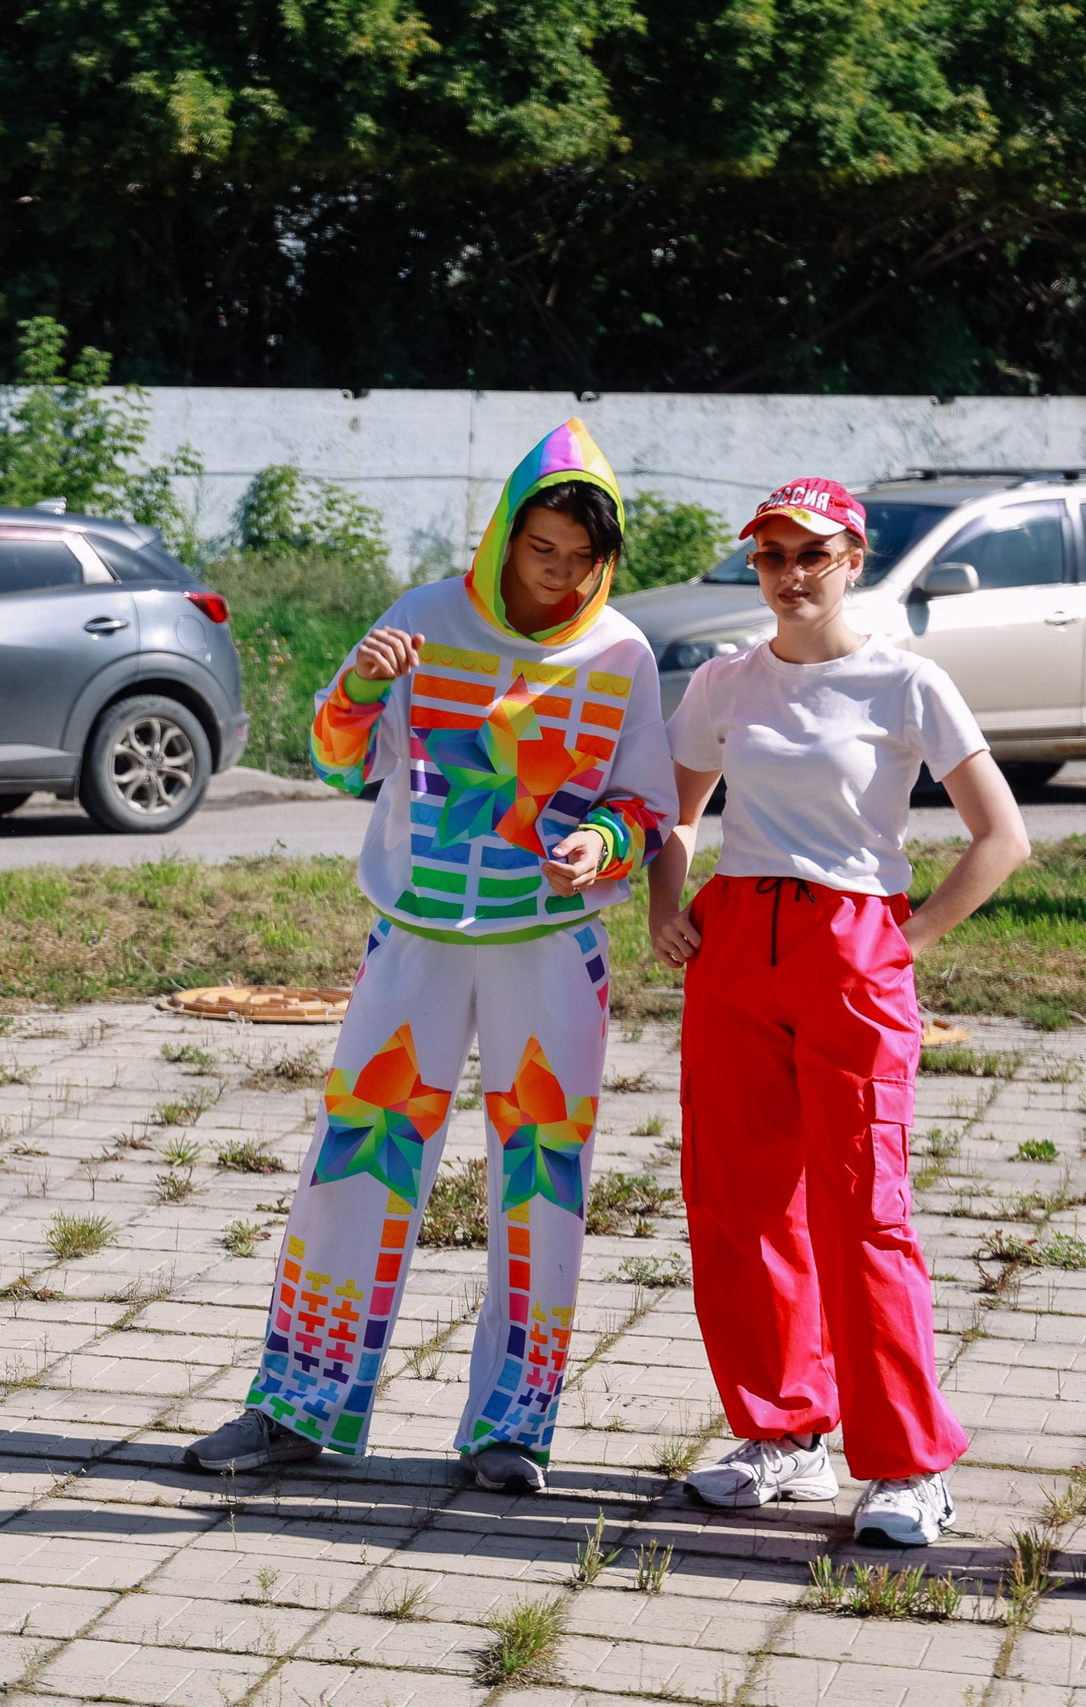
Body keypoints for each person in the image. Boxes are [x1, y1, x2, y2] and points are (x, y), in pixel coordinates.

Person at [184, 420, 675, 1491]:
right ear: (504, 534)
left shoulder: (622, 653)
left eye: (579, 560)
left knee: (543, 1180)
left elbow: (648, 805)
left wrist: (608, 842)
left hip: (548, 949)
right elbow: (329, 756)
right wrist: (360, 685)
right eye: (539, 548)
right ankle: (297, 1409)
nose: (556, 575)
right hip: (412, 941)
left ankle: (512, 1428)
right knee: (353, 1158)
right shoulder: (420, 618)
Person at [650, 478, 1028, 1548]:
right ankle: (784, 1436)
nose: (789, 575)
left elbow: (1002, 838)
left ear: (852, 559)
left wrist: (900, 947)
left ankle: (909, 1467)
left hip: (851, 950)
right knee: (737, 1205)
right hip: (734, 949)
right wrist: (665, 904)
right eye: (770, 557)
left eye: (810, 554)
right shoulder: (724, 681)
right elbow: (672, 816)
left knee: (863, 1216)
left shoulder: (906, 684)